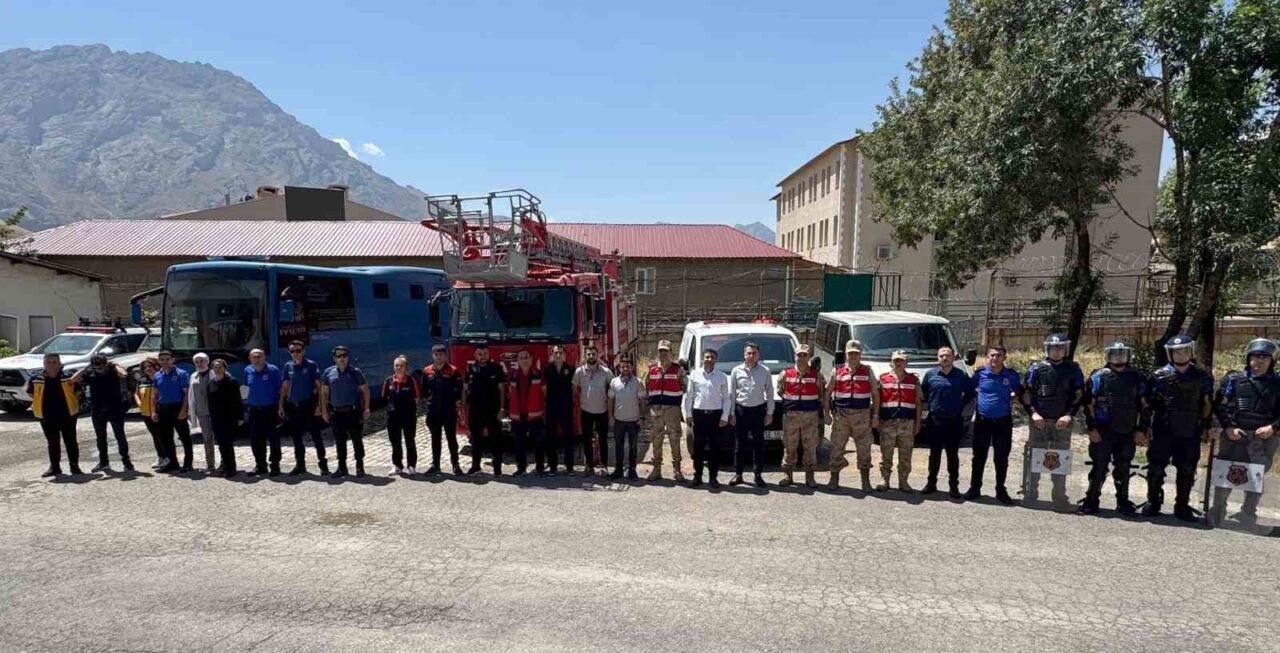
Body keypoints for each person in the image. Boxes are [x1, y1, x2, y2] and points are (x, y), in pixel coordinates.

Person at [1209, 338, 1280, 527]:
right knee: (1225, 472)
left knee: (1256, 475)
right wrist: (1228, 427)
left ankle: (1248, 514)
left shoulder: (1277, 384)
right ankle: (1218, 510)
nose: (1259, 361)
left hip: (1263, 437)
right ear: (1249, 358)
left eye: (1265, 357)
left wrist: (1273, 428)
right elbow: (1220, 405)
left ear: (1272, 361)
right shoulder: (1233, 380)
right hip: (1234, 435)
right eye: (1256, 356)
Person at [1143, 335, 1214, 521]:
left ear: (1190, 351)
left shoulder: (1202, 376)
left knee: (1187, 468)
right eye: (1176, 352)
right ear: (1170, 354)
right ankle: (1153, 502)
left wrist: (1206, 426)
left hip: (1189, 429)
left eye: (1184, 351)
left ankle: (1182, 506)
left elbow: (1206, 403)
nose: (1181, 354)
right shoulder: (1158, 375)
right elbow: (1147, 404)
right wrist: (1145, 426)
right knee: (1156, 467)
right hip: (1163, 428)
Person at [1080, 341, 1148, 516]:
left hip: (1127, 429)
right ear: (1108, 355)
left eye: (1122, 354)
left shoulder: (1137, 377)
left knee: (1123, 467)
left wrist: (1142, 429)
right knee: (1099, 466)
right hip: (1103, 430)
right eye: (1115, 354)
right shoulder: (1098, 376)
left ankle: (1123, 502)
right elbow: (1089, 404)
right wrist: (1091, 428)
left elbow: (1145, 405)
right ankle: (1091, 500)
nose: (1118, 357)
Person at [1022, 333, 1084, 511]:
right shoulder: (1036, 368)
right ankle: (1030, 495)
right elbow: (1026, 393)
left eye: (1060, 348)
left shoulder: (1073, 369)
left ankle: (1059, 499)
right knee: (1035, 457)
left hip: (1062, 422)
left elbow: (1079, 394)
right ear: (1047, 349)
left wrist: (1068, 415)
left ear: (1065, 349)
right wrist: (1033, 413)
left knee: (1060, 459)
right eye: (1053, 348)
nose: (1056, 351)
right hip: (1039, 421)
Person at [965, 345, 1024, 504]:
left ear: (1004, 358)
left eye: (998, 355)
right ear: (987, 357)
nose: (995, 358)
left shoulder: (1011, 375)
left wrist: (1011, 397)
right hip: (982, 422)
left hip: (1003, 422)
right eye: (992, 355)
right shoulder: (979, 374)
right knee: (979, 457)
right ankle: (975, 488)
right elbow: (969, 392)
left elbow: (1019, 392)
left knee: (1001, 457)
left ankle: (1000, 490)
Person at [920, 347, 973, 499]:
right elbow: (924, 393)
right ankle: (931, 483)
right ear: (937, 358)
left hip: (954, 421)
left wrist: (959, 407)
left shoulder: (961, 375)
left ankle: (953, 486)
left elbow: (970, 393)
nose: (944, 358)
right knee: (934, 454)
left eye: (947, 355)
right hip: (935, 420)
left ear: (953, 357)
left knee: (952, 455)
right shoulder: (930, 374)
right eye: (941, 355)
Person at [826, 340, 876, 491]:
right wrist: (827, 413)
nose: (853, 356)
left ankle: (865, 481)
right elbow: (827, 393)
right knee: (837, 447)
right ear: (846, 355)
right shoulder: (837, 371)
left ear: (860, 355)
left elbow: (876, 394)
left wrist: (876, 415)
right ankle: (834, 478)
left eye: (856, 353)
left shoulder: (868, 371)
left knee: (864, 448)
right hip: (841, 416)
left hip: (862, 416)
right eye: (850, 353)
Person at [71, 354, 132, 472]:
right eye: (96, 366)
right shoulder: (91, 374)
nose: (99, 368)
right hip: (98, 410)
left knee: (120, 435)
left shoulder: (113, 372)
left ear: (106, 364)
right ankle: (104, 462)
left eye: (102, 365)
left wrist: (115, 365)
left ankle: (126, 461)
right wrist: (86, 367)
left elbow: (124, 374)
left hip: (115, 408)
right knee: (100, 437)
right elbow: (73, 379)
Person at [25, 353, 82, 478]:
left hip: (68, 414)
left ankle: (74, 466)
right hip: (46, 415)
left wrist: (70, 401)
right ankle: (55, 468)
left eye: (54, 362)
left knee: (71, 441)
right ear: (44, 364)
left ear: (60, 364)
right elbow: (30, 393)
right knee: (52, 442)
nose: (51, 365)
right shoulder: (36, 379)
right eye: (48, 362)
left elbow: (77, 391)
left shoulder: (68, 377)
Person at [683, 348, 731, 488]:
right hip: (699, 415)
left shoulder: (722, 376)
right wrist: (688, 415)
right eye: (707, 357)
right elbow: (689, 396)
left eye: (712, 357)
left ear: (716, 360)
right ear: (703, 359)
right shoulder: (694, 374)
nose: (709, 359)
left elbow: (726, 398)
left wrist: (724, 417)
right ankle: (697, 476)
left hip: (716, 416)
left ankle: (713, 478)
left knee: (715, 449)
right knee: (698, 448)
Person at [778, 345, 825, 488]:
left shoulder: (817, 375)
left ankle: (810, 477)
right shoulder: (786, 374)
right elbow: (780, 391)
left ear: (809, 357)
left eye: (805, 355)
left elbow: (822, 395)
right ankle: (788, 475)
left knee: (810, 447)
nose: (802, 358)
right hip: (791, 417)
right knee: (789, 446)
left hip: (810, 417)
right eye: (799, 355)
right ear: (795, 356)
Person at [279, 340, 328, 476]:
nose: (295, 353)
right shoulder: (288, 366)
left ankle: (323, 465)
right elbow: (285, 386)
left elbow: (319, 386)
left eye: (298, 350)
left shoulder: (311, 365)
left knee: (316, 436)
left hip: (308, 406)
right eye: (292, 351)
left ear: (303, 351)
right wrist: (281, 405)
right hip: (293, 406)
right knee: (297, 438)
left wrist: (319, 405)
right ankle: (300, 465)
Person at [321, 345, 371, 478]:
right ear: (334, 358)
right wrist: (324, 411)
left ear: (348, 357)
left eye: (344, 355)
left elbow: (365, 390)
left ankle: (360, 467)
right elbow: (324, 393)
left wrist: (366, 407)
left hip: (353, 412)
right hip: (337, 413)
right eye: (339, 356)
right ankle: (342, 468)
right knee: (340, 441)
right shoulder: (328, 372)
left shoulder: (356, 372)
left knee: (357, 440)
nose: (342, 358)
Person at [729, 342, 774, 488]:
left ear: (758, 355)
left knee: (758, 445)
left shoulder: (765, 371)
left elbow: (770, 392)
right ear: (744, 355)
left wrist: (770, 412)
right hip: (741, 411)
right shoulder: (736, 371)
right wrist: (731, 413)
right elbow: (732, 394)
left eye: (754, 353)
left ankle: (758, 475)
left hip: (758, 411)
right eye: (749, 353)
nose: (751, 356)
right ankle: (738, 474)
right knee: (739, 445)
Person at [877, 350, 921, 492]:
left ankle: (903, 481)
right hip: (887, 422)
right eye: (896, 360)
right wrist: (876, 417)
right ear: (891, 362)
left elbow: (918, 403)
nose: (899, 363)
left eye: (901, 360)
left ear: (906, 363)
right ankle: (885, 480)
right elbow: (877, 400)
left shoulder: (913, 380)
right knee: (886, 453)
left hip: (907, 423)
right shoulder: (883, 378)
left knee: (906, 454)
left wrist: (918, 422)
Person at [644, 340, 687, 482]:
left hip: (672, 410)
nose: (663, 353)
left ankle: (677, 470)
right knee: (656, 439)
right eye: (661, 350)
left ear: (671, 352)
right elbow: (646, 386)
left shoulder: (678, 369)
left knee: (674, 438)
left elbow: (685, 387)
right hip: (656, 410)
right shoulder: (651, 369)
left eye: (665, 350)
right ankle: (656, 470)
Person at [463, 343, 507, 476]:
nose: (483, 356)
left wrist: (502, 408)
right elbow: (465, 389)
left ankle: (497, 468)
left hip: (493, 410)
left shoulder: (496, 368)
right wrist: (463, 408)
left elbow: (502, 390)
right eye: (480, 354)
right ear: (475, 355)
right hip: (475, 410)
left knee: (496, 439)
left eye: (485, 354)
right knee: (476, 440)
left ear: (489, 354)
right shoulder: (470, 369)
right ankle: (475, 466)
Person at [422, 344, 463, 475]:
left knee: (451, 438)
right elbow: (424, 391)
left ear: (445, 355)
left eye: (441, 354)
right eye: (436, 354)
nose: (439, 357)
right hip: (433, 411)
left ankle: (455, 465)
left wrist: (458, 405)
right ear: (433, 355)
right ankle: (435, 465)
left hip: (448, 410)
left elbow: (459, 390)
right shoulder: (427, 371)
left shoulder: (453, 370)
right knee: (435, 439)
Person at [243, 348, 284, 477]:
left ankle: (275, 466)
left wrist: (281, 407)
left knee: (273, 439)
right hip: (254, 410)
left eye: (259, 356)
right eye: (254, 357)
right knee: (256, 440)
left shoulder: (273, 370)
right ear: (250, 359)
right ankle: (260, 466)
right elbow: (246, 388)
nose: (257, 359)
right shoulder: (247, 370)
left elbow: (281, 389)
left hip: (270, 409)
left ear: (264, 357)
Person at [573, 345, 613, 476]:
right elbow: (574, 387)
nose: (591, 356)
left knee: (603, 440)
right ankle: (589, 466)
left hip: (602, 410)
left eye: (593, 354)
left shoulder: (605, 371)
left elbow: (613, 385)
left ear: (597, 356)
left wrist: (609, 399)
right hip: (586, 411)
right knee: (586, 440)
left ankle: (604, 466)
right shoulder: (579, 371)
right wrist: (582, 399)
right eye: (588, 354)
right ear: (585, 356)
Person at [153, 350, 193, 473]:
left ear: (172, 360)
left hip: (178, 407)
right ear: (159, 361)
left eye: (167, 359)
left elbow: (186, 394)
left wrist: (184, 410)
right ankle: (173, 463)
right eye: (162, 360)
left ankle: (188, 464)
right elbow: (155, 395)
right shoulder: (157, 375)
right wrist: (154, 411)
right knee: (166, 438)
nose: (165, 362)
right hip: (163, 408)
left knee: (184, 437)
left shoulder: (181, 374)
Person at [509, 350, 547, 476]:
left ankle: (540, 467)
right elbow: (511, 393)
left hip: (535, 415)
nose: (524, 360)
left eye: (526, 357)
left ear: (531, 359)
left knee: (539, 442)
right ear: (518, 360)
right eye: (521, 357)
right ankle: (521, 468)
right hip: (519, 415)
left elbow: (544, 392)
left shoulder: (539, 374)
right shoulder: (513, 375)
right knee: (519, 443)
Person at [382, 355, 421, 476]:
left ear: (406, 367)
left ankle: (411, 465)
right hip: (393, 417)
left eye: (401, 366)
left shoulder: (411, 381)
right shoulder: (388, 381)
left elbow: (417, 398)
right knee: (395, 442)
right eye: (396, 365)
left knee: (410, 440)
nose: (398, 368)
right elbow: (385, 397)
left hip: (408, 416)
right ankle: (397, 465)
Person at [608, 356, 645, 481]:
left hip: (633, 421)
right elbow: (610, 401)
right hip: (619, 420)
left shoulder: (638, 382)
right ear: (619, 368)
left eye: (627, 366)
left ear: (632, 368)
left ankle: (632, 470)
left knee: (633, 447)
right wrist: (610, 417)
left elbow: (642, 401)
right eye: (623, 367)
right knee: (618, 446)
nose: (625, 369)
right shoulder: (614, 382)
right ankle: (618, 470)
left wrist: (642, 417)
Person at [206, 358, 244, 477]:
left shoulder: (232, 382)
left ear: (225, 368)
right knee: (220, 443)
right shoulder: (211, 383)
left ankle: (231, 468)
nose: (218, 369)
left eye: (220, 367)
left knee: (227, 443)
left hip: (229, 417)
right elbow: (210, 401)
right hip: (216, 418)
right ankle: (224, 465)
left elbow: (238, 400)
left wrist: (240, 417)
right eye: (215, 367)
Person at [545, 345, 576, 475]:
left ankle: (570, 467)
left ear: (564, 354)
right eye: (556, 352)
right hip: (551, 407)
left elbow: (574, 388)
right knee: (550, 437)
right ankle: (553, 467)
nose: (558, 355)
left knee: (568, 437)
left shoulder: (570, 369)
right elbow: (544, 389)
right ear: (552, 354)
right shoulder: (547, 369)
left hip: (566, 406)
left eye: (561, 352)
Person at [188, 353, 217, 472]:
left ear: (207, 361)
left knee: (221, 438)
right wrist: (191, 411)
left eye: (202, 361)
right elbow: (191, 395)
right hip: (202, 411)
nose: (199, 364)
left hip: (216, 411)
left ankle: (225, 463)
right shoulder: (193, 376)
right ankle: (210, 464)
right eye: (197, 362)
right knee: (207, 439)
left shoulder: (215, 373)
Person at [135, 358, 166, 469]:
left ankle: (167, 457)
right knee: (154, 436)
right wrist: (140, 404)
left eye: (150, 366)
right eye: (145, 367)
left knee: (161, 435)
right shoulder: (142, 380)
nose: (148, 369)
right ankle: (160, 456)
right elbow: (136, 393)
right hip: (146, 413)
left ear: (155, 366)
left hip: (158, 412)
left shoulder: (160, 378)